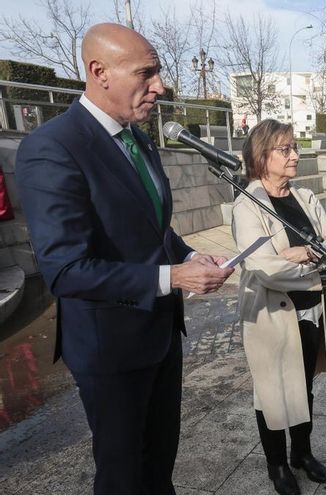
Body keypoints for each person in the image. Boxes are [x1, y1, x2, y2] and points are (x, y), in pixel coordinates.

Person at [15, 23, 234, 494]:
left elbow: (152, 228)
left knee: (159, 465)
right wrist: (172, 276)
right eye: (146, 73)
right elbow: (64, 269)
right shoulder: (52, 148)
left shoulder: (141, 138)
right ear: (99, 72)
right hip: (108, 346)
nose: (159, 86)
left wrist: (193, 255)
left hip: (161, 333)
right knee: (122, 475)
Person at [232, 119, 326, 494]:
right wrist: (313, 262)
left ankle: (302, 453)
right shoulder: (248, 205)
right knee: (272, 391)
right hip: (272, 314)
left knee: (304, 384)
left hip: (312, 310)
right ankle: (277, 465)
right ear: (262, 156)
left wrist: (302, 253)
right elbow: (264, 268)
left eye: (294, 147)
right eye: (286, 149)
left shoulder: (305, 198)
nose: (295, 155)